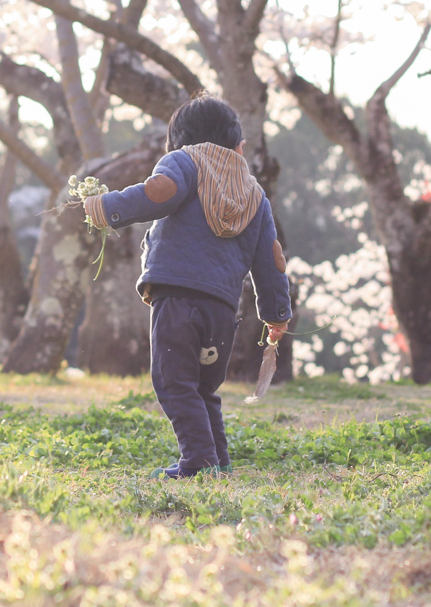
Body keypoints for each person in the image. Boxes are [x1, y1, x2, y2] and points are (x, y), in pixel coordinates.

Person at [81, 94, 290, 478]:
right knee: (203, 388)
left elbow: (156, 195)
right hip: (222, 310)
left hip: (177, 297)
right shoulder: (255, 195)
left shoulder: (184, 161)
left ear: (177, 142)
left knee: (173, 382)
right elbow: (270, 260)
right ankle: (219, 462)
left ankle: (199, 462)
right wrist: (277, 313)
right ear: (239, 147)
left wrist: (105, 207)